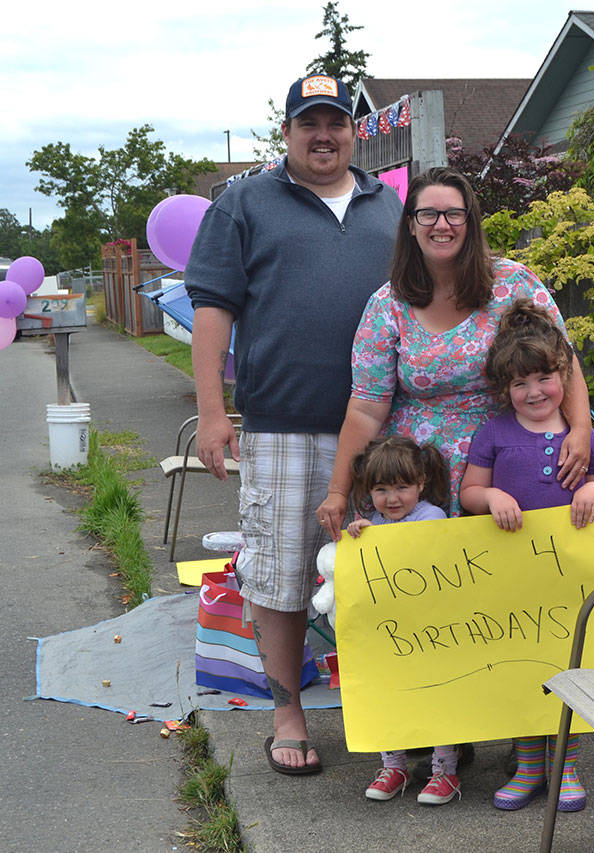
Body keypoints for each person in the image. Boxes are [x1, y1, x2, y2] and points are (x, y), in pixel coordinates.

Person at [314, 166, 594, 792]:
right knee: (439, 618)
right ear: (409, 227)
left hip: (513, 474)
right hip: (424, 484)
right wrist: (339, 489)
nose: (442, 224)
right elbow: (365, 405)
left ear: (470, 222)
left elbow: (562, 364)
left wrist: (580, 432)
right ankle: (449, 734)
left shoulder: (514, 285)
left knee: (518, 612)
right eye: (427, 214)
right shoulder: (387, 304)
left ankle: (535, 739)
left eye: (454, 213)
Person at [184, 72, 402, 776]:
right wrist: (214, 413)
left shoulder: (386, 206)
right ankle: (288, 713)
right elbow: (212, 311)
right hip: (280, 425)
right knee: (279, 576)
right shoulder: (245, 202)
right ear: (286, 133)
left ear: (352, 130)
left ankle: (391, 713)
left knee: (379, 573)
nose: (324, 134)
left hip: (383, 436)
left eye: (335, 122)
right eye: (309, 122)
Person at [459, 298, 594, 812]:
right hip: (511, 580)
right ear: (505, 389)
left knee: (565, 665)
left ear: (563, 377)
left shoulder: (579, 436)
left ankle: (565, 764)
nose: (534, 393)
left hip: (568, 580)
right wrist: (492, 498)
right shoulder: (495, 433)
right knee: (520, 668)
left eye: (545, 379)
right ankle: (529, 765)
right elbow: (468, 493)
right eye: (520, 384)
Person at [339, 436, 463, 804]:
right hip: (388, 635)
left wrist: (375, 534)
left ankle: (445, 772)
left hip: (431, 632)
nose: (392, 499)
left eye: (402, 487)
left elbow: (425, 552)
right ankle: (394, 765)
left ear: (421, 484)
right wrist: (358, 536)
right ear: (368, 490)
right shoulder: (373, 522)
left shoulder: (432, 517)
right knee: (388, 696)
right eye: (381, 489)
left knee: (438, 697)